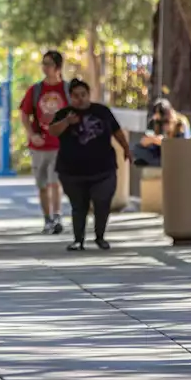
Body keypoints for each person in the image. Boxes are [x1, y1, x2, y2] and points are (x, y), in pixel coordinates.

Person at [48, 79, 131, 251]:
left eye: (83, 95)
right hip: (72, 171)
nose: (80, 99)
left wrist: (126, 149)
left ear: (89, 95)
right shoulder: (64, 114)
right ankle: (78, 240)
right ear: (70, 97)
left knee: (102, 202)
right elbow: (53, 131)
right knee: (79, 206)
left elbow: (116, 131)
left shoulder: (102, 111)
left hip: (103, 169)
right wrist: (66, 122)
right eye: (76, 96)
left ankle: (100, 237)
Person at [19, 50, 67, 234]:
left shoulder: (66, 89)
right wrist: (31, 134)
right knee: (42, 184)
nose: (45, 67)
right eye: (43, 63)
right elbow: (24, 113)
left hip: (60, 145)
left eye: (48, 63)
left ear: (58, 67)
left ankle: (57, 216)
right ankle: (47, 218)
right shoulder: (36, 90)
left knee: (55, 182)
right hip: (39, 145)